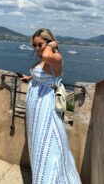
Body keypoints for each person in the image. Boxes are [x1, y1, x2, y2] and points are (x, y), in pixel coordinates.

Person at [21, 28, 82, 184]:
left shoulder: (56, 57)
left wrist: (52, 45)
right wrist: (30, 77)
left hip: (46, 107)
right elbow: (41, 74)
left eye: (40, 44)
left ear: (49, 43)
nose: (37, 49)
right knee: (38, 144)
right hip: (36, 109)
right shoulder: (43, 59)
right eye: (34, 45)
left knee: (48, 142)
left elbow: (48, 56)